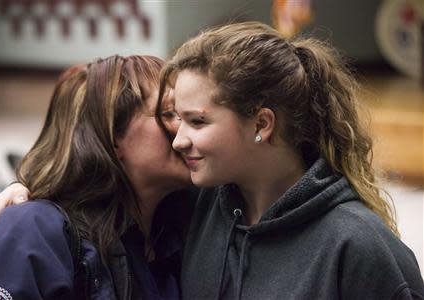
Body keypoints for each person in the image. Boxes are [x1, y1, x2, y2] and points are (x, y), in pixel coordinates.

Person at [158, 21, 423, 299]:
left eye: (197, 121)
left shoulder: (360, 247)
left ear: (261, 124)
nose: (179, 141)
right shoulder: (199, 208)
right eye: (178, 119)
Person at [0, 55, 194, 300]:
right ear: (110, 136)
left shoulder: (182, 224)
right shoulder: (32, 229)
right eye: (167, 113)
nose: (186, 129)